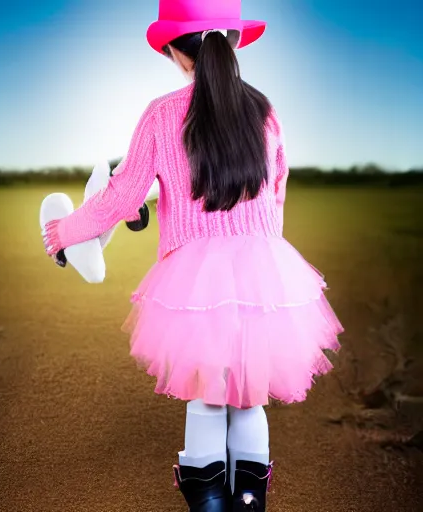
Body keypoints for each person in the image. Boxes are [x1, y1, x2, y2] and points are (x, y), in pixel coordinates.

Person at [41, 1, 343, 510]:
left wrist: (62, 233)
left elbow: (119, 196)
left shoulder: (163, 115)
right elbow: (276, 197)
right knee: (248, 395)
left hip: (194, 277)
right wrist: (261, 269)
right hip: (266, 270)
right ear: (231, 42)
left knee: (207, 394)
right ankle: (250, 500)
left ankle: (208, 504)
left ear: (178, 55)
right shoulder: (265, 112)